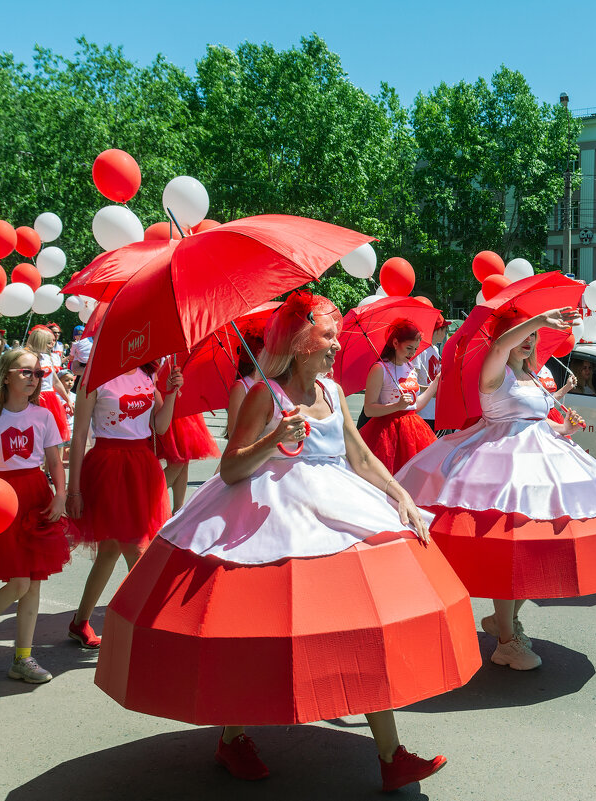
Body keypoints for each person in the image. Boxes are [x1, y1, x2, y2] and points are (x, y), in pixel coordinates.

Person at [93, 292, 470, 791]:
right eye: (329, 338)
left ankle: (391, 754)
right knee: (256, 631)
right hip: (268, 524)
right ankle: (232, 738)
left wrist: (399, 493)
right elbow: (230, 468)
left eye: (336, 337)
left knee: (365, 624)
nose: (337, 347)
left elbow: (358, 458)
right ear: (301, 344)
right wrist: (274, 439)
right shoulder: (264, 395)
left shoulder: (334, 394)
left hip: (339, 516)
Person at [395, 306, 596, 671]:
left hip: (542, 462)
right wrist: (539, 319)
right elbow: (498, 350)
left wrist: (566, 430)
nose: (529, 341)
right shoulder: (495, 371)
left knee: (531, 549)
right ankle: (506, 642)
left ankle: (501, 622)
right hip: (498, 464)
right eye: (522, 335)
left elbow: (539, 424)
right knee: (506, 547)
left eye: (533, 337)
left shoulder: (534, 375)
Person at [0, 348, 70, 684]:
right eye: (27, 372)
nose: (34, 379)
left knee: (33, 583)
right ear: (6, 374)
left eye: (38, 373)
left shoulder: (43, 415)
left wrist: (61, 496)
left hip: (36, 496)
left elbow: (53, 461)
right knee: (19, 581)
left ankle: (22, 658)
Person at [65, 360, 179, 648]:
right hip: (107, 467)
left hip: (141, 466)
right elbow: (79, 436)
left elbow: (160, 425)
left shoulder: (146, 374)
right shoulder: (96, 378)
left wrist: (173, 391)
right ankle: (148, 627)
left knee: (110, 550)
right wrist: (73, 488)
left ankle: (80, 622)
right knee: (136, 549)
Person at [358, 319, 439, 472]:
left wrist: (435, 384)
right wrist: (397, 406)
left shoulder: (410, 367)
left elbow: (416, 405)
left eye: (415, 349)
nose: (412, 353)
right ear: (395, 343)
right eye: (409, 348)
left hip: (414, 432)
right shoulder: (379, 368)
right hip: (386, 434)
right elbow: (369, 409)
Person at [155, 357, 221, 513]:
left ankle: (178, 509)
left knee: (184, 461)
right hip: (167, 403)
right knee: (178, 461)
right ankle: (151, 499)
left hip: (184, 403)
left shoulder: (182, 351)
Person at [25, 326, 73, 444]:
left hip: (50, 398)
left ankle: (54, 462)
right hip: (33, 398)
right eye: (48, 342)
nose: (52, 343)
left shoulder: (47, 357)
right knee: (34, 436)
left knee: (54, 437)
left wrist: (68, 400)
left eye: (53, 341)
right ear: (39, 341)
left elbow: (55, 381)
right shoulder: (27, 358)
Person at [415, 317, 451, 432]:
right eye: (444, 330)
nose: (445, 334)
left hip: (436, 411)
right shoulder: (419, 350)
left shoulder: (435, 349)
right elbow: (412, 383)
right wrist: (432, 392)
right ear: (438, 330)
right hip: (423, 412)